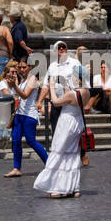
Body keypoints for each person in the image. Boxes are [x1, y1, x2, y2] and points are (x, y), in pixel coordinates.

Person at [33, 65, 87, 199]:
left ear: (77, 78)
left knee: (59, 153)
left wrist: (51, 86)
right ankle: (74, 188)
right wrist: (64, 85)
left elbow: (56, 102)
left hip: (66, 123)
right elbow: (71, 97)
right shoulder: (86, 92)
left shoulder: (71, 94)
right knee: (73, 154)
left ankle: (59, 187)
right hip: (77, 122)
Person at [4, 59, 48, 178]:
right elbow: (17, 95)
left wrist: (14, 85)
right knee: (16, 140)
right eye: (20, 67)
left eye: (24, 67)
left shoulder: (33, 78)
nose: (21, 69)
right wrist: (12, 84)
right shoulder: (22, 79)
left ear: (31, 67)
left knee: (31, 141)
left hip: (29, 115)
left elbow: (25, 95)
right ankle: (16, 168)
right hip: (19, 114)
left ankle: (49, 164)